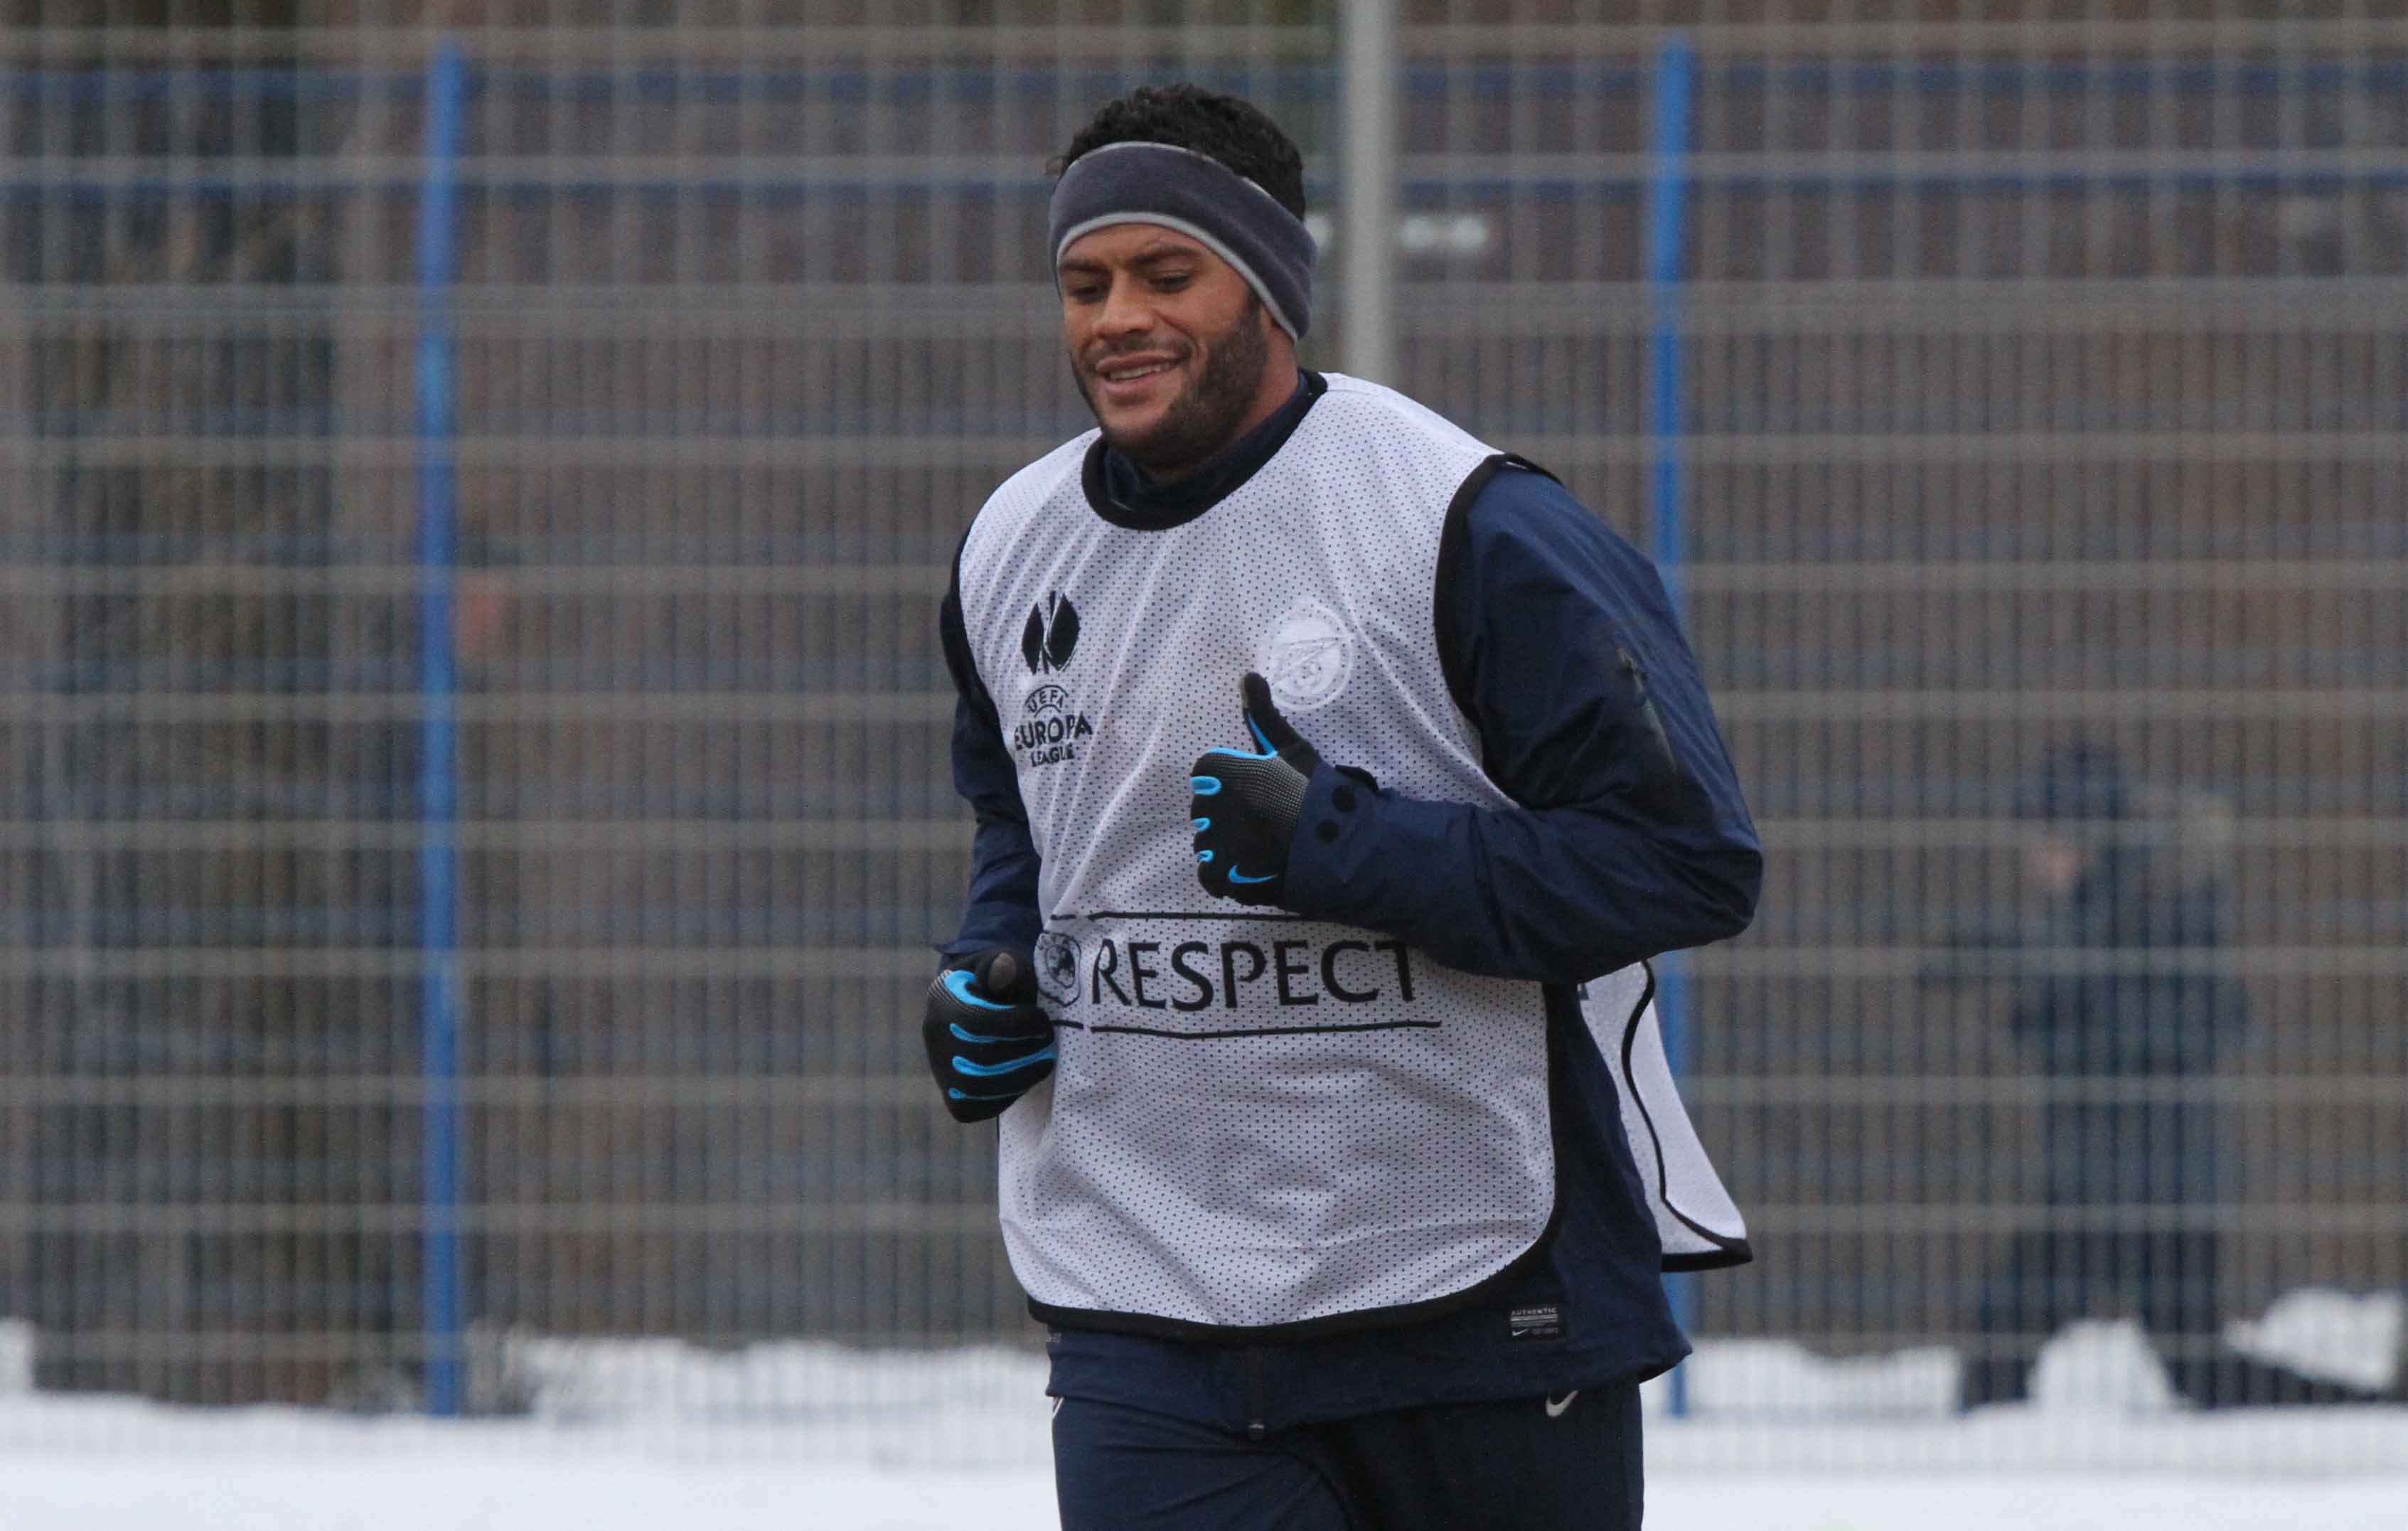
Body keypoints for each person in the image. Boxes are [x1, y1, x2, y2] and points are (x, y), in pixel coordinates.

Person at [930, 85, 1762, 1529]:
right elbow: (1023, 816)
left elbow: (1684, 861)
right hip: (1150, 1307)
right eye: (1084, 283)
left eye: (1165, 274)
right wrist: (988, 966)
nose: (1117, 318)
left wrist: (1346, 845)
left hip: (1469, 1300)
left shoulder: (1463, 520)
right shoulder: (1012, 544)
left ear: (1268, 282)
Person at [1945, 742, 2392, 1409]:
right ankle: (2366, 1411)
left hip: (2153, 1182)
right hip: (2112, 1178)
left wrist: (2064, 1007)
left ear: (2087, 837)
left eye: (2049, 839)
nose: (2036, 858)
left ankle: (2367, 1415)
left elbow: (2206, 1019)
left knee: (2026, 1339)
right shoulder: (2090, 913)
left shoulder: (2161, 906)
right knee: (2185, 1363)